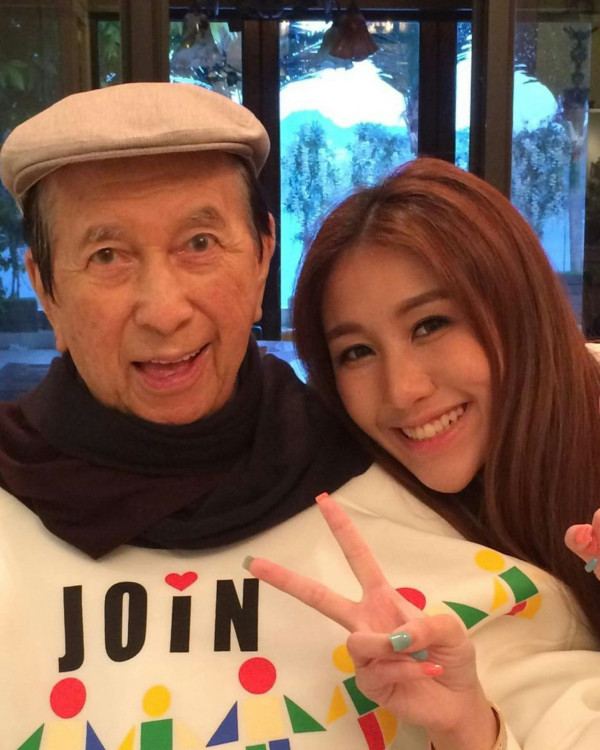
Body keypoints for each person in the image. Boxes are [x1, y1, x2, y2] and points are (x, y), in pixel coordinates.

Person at [0, 83, 378, 748]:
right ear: (46, 290)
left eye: (199, 243)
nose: (164, 310)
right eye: (107, 255)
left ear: (262, 257)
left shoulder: (370, 466)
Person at [244, 158, 600, 749]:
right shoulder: (374, 507)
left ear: (519, 308)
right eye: (357, 352)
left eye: (430, 325)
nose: (403, 390)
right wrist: (466, 729)